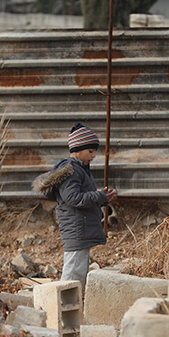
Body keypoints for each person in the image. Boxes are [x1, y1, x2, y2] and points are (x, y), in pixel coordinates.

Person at [32, 123, 117, 289]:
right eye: (90, 151)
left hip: (81, 227)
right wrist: (99, 196)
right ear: (77, 149)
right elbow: (73, 198)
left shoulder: (80, 169)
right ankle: (63, 303)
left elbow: (82, 197)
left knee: (79, 269)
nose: (93, 155)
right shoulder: (70, 170)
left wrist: (103, 198)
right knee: (73, 272)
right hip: (77, 228)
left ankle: (73, 304)